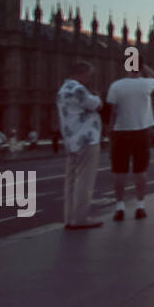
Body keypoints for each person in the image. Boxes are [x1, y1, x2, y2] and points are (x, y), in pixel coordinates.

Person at [105, 62, 154, 221]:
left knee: (119, 171)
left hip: (120, 131)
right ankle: (140, 206)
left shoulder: (116, 86)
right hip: (141, 131)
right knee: (141, 171)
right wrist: (145, 67)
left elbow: (113, 111)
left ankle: (120, 207)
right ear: (140, 68)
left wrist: (110, 129)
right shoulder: (146, 83)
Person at [56, 60, 103, 229]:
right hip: (86, 140)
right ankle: (81, 218)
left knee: (70, 182)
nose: (89, 79)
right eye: (89, 76)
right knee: (84, 180)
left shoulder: (63, 90)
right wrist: (97, 96)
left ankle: (69, 218)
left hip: (71, 141)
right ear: (81, 74)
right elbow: (97, 105)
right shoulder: (78, 89)